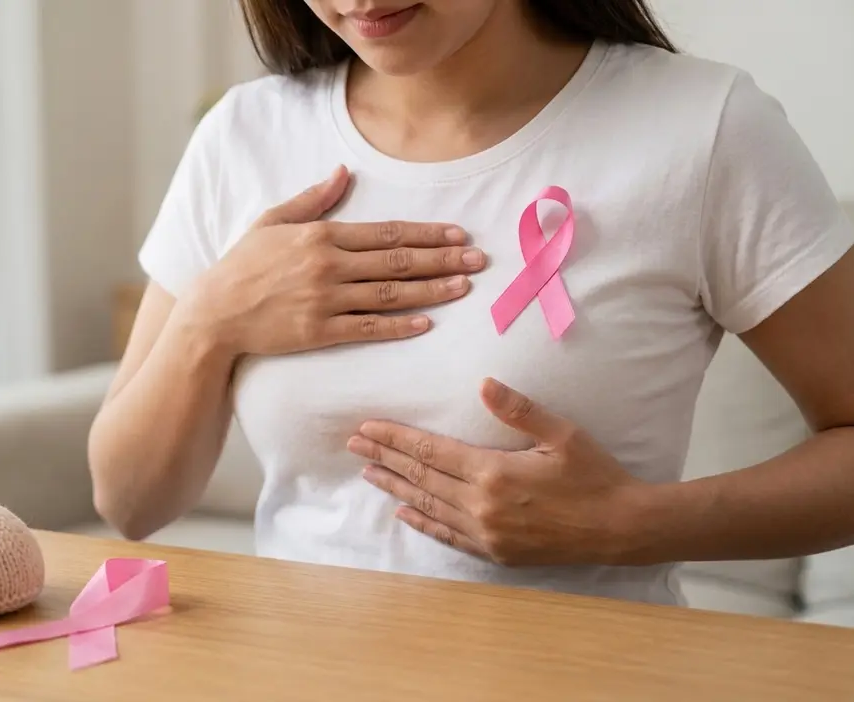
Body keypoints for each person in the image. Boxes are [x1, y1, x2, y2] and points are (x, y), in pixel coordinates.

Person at [87, 0, 854, 605]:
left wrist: (626, 525)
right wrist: (210, 320)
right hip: (294, 669)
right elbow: (128, 501)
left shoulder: (701, 127)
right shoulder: (244, 136)